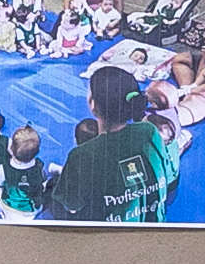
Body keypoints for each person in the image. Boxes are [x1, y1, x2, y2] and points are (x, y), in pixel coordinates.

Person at [42, 65, 180, 224]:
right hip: (154, 225)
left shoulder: (81, 155)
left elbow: (72, 206)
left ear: (93, 105)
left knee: (53, 192)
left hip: (109, 233)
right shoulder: (150, 131)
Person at [0, 125, 51, 215]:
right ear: (37, 152)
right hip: (32, 209)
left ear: (11, 149)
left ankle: (3, 212)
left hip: (9, 206)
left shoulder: (4, 168)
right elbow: (43, 181)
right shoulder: (39, 166)